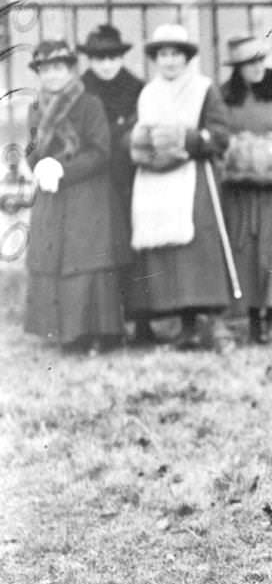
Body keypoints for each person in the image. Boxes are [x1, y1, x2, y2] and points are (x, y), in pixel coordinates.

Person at [127, 24, 235, 351]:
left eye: (175, 54)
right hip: (157, 178)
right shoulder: (149, 93)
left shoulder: (203, 89)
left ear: (186, 58)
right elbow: (140, 133)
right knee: (169, 254)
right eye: (163, 54)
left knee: (198, 250)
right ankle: (184, 326)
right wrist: (141, 143)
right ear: (156, 59)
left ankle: (214, 325)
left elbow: (221, 135)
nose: (170, 61)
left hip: (193, 174)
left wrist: (187, 138)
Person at [22, 39, 126, 354]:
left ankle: (98, 333)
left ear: (70, 70)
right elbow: (30, 150)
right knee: (54, 259)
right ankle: (66, 332)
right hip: (52, 197)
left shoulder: (88, 104)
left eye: (58, 68)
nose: (52, 75)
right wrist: (38, 165)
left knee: (85, 260)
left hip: (86, 194)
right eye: (45, 69)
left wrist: (62, 169)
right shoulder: (36, 107)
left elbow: (100, 151)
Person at [219, 34, 272, 345]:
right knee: (249, 252)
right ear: (238, 68)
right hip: (242, 190)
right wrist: (242, 151)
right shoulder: (225, 96)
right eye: (248, 63)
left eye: (259, 61)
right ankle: (254, 320)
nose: (256, 68)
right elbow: (220, 133)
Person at [77, 23, 150, 344]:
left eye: (112, 57)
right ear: (89, 60)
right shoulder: (79, 91)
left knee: (137, 248)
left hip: (133, 178)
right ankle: (106, 323)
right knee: (102, 250)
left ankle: (143, 321)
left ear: (122, 57)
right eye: (98, 58)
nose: (106, 65)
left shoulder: (137, 88)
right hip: (95, 181)